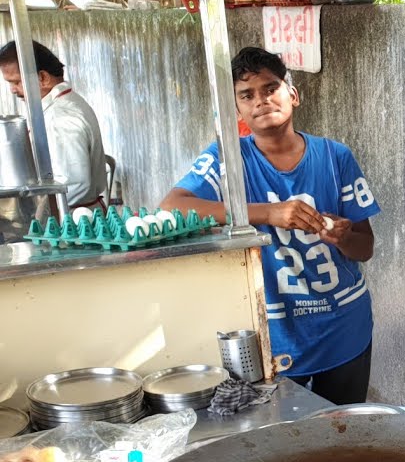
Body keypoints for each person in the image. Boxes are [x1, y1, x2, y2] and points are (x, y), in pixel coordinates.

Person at [160, 47, 379, 404]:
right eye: (247, 95)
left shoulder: (336, 157)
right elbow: (173, 206)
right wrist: (268, 213)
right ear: (238, 110)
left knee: (342, 435)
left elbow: (365, 247)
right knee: (282, 439)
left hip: (343, 328)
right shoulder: (227, 158)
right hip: (274, 334)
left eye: (270, 88)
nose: (261, 101)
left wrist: (343, 238)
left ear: (292, 94)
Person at [0, 40, 107, 209]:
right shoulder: (61, 104)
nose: (13, 90)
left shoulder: (61, 117)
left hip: (74, 223)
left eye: (16, 82)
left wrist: (35, 210)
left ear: (43, 78)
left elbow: (74, 185)